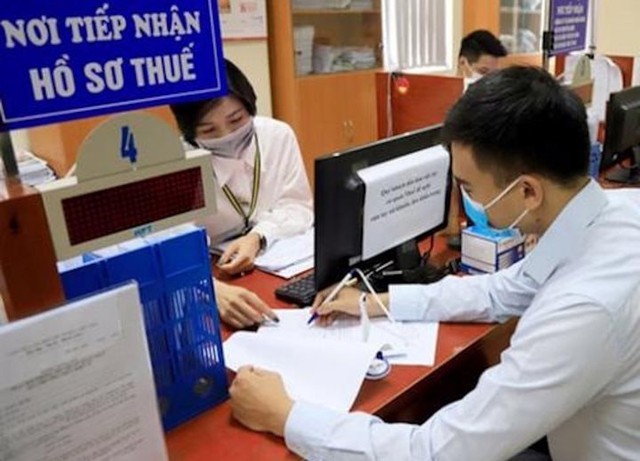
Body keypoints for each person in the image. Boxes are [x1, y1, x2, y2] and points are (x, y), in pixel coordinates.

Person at [228, 66, 640, 460]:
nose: (467, 199)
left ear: (528, 192)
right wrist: (376, 302)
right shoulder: (614, 211)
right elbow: (505, 290)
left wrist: (286, 416)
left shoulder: (584, 308)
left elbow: (434, 452)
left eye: (469, 187)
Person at [170, 60, 313, 329]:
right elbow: (170, 247)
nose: (227, 136)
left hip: (270, 267)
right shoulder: (178, 163)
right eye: (209, 130)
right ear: (189, 133)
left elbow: (297, 206)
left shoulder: (276, 136)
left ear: (250, 106)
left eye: (236, 120)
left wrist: (257, 237)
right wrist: (210, 288)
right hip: (211, 275)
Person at [445, 30, 509, 251]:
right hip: (479, 214)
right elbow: (452, 170)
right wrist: (452, 221)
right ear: (464, 63)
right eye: (483, 72)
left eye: (494, 75)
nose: (489, 81)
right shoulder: (454, 109)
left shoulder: (496, 104)